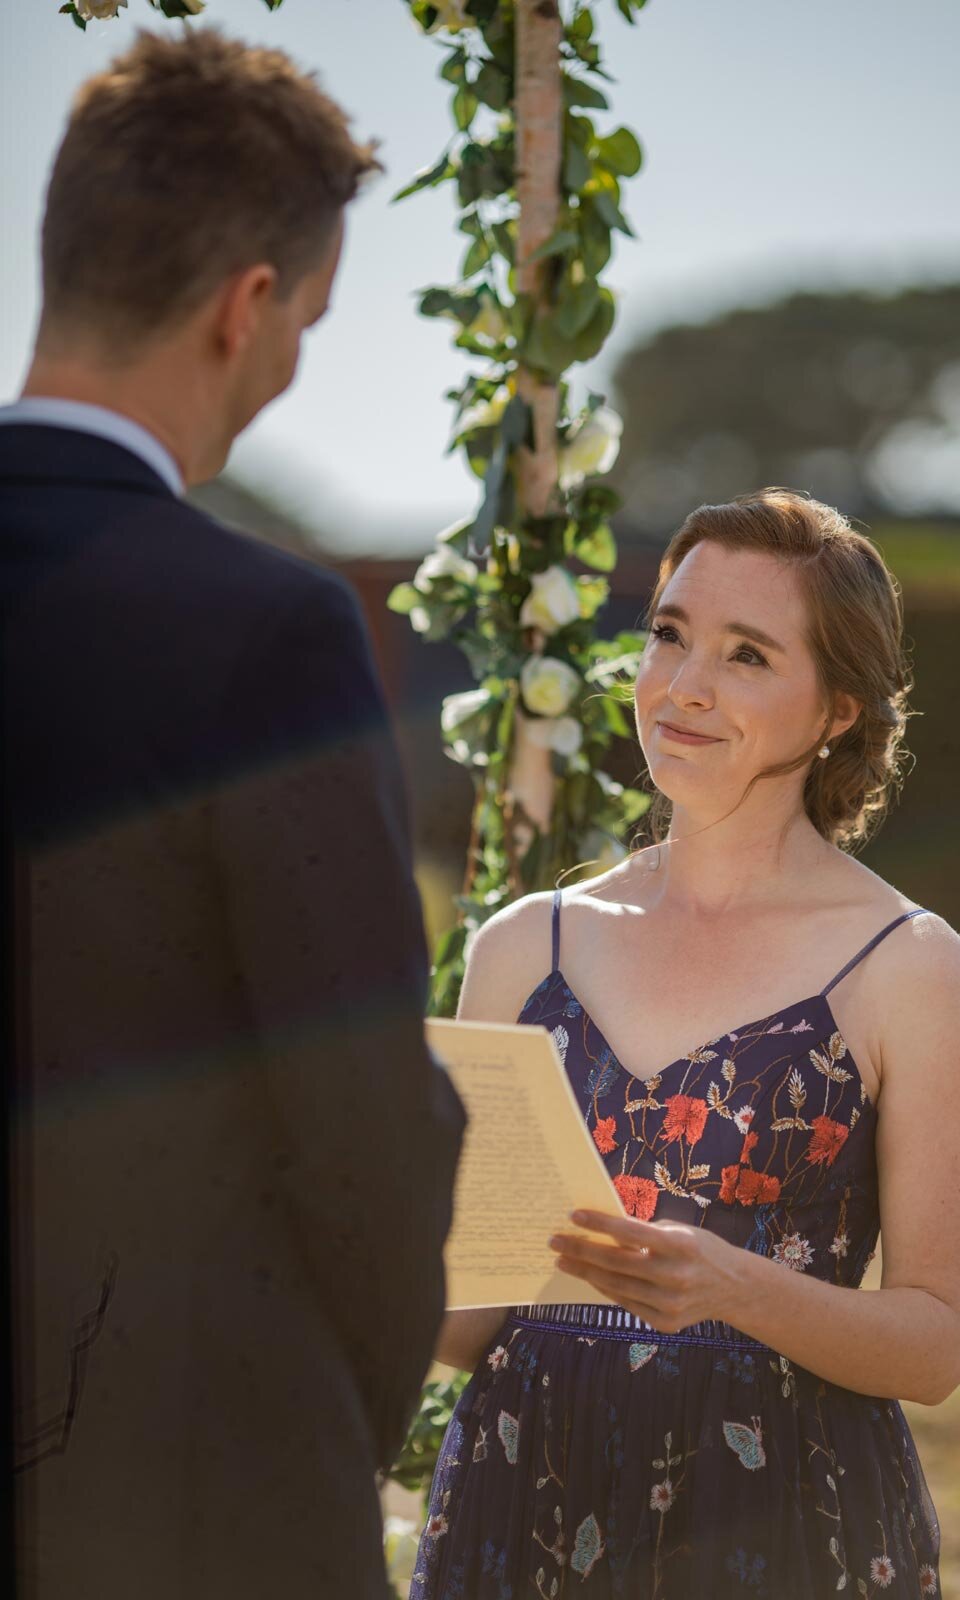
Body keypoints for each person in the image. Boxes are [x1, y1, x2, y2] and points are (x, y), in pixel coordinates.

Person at [0, 26, 466, 1600]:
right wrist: (332, 1425)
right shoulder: (259, 629)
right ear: (247, 305)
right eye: (310, 324)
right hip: (191, 1496)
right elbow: (360, 1128)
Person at [412, 489, 960, 1597]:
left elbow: (933, 1344)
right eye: (669, 634)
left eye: (744, 654)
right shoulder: (519, 947)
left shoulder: (905, 965)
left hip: (780, 1525)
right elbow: (463, 1323)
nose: (681, 687)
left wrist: (732, 1286)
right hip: (513, 1504)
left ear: (834, 708)